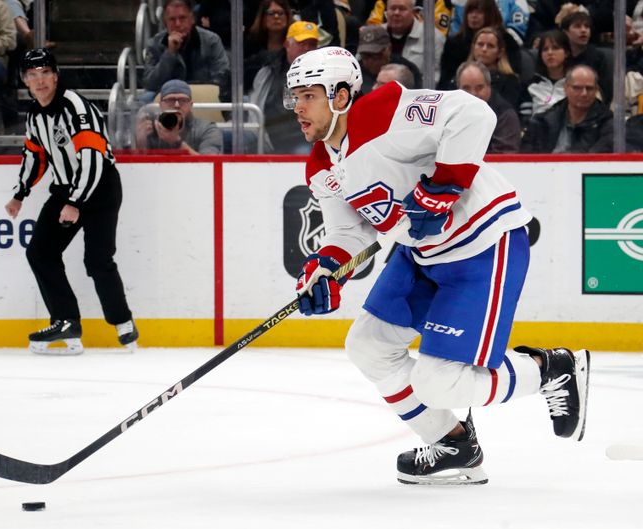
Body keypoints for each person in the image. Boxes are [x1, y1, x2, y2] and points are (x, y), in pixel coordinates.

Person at [285, 46, 590, 484]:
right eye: (293, 96)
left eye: (308, 95)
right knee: (368, 347)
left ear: (340, 96)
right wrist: (326, 271)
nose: (297, 107)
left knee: (440, 381)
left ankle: (553, 368)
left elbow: (472, 113)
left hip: (482, 244)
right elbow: (350, 233)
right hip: (423, 256)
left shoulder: (384, 110)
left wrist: (445, 185)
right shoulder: (320, 165)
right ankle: (454, 443)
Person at [4, 49, 138, 355]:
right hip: (66, 190)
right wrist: (19, 193)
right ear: (25, 81)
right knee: (40, 252)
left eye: (44, 73)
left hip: (100, 188)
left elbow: (92, 157)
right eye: (32, 75)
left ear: (55, 75)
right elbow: (35, 155)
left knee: (97, 260)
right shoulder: (36, 114)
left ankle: (123, 322)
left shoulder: (76, 106)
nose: (39, 81)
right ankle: (66, 320)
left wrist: (76, 201)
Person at [249, 20, 319, 154]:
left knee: (303, 152)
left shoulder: (325, 75)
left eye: (312, 45)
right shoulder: (269, 71)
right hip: (270, 136)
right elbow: (256, 105)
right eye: (302, 43)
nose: (307, 49)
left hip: (305, 140)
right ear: (287, 44)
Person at [141, 0, 230, 102]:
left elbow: (222, 77)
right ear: (165, 22)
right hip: (168, 99)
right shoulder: (154, 44)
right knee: (143, 101)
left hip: (204, 96)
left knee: (241, 100)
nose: (178, 24)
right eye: (172, 19)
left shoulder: (211, 41)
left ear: (192, 19)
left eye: (182, 18)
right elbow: (150, 83)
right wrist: (170, 53)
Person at [521, 64, 612, 153]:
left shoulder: (608, 123)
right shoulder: (541, 121)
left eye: (589, 88)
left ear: (596, 90)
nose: (584, 93)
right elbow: (525, 160)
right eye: (577, 88)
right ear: (565, 88)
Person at [134, 79, 223, 154]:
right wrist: (140, 143)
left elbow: (210, 165)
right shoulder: (149, 129)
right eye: (170, 100)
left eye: (183, 100)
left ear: (190, 104)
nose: (177, 105)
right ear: (161, 105)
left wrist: (177, 143)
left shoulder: (207, 129)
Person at [456, 61, 520, 153]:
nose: (473, 94)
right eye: (466, 88)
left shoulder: (505, 115)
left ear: (489, 86)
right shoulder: (451, 114)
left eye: (479, 88)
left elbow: (504, 159)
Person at [380, 0, 444, 84]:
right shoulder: (377, 33)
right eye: (392, 8)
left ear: (413, 12)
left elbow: (434, 77)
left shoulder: (433, 37)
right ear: (386, 11)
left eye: (402, 9)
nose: (396, 13)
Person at [518, 29, 570, 127]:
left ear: (566, 53)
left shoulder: (576, 83)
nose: (550, 53)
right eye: (545, 49)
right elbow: (525, 120)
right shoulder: (530, 85)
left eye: (555, 48)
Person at [467, 26, 521, 109]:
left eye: (490, 46)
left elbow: (506, 110)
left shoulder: (510, 82)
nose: (484, 49)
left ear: (500, 52)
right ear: (473, 48)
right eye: (480, 44)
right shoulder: (459, 78)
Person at [356, 24, 420, 94]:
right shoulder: (355, 73)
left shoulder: (408, 70)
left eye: (376, 55)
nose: (370, 61)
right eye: (365, 55)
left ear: (388, 49)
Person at [243, 0, 291, 91]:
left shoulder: (294, 46)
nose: (276, 17)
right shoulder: (251, 46)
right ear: (263, 18)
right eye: (271, 13)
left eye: (280, 13)